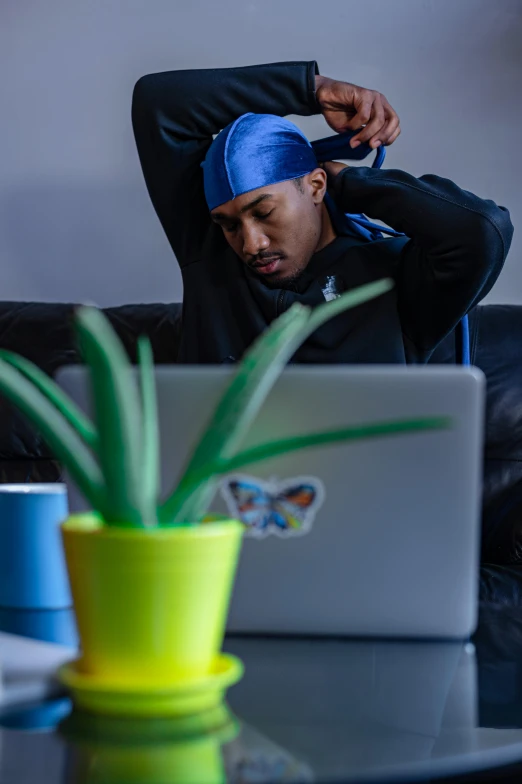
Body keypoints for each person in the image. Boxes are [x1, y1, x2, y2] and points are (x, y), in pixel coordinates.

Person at [131, 61, 513, 364]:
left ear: (315, 186)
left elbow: (481, 230)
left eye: (264, 212)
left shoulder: (397, 279)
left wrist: (349, 183)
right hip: (220, 465)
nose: (251, 244)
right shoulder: (209, 252)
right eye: (229, 224)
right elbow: (158, 102)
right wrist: (311, 89)